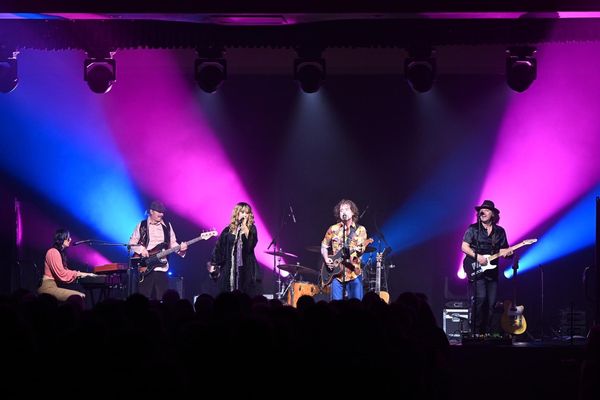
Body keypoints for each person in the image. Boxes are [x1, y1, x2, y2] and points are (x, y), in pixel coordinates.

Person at [461, 200, 513, 335]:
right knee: (481, 299)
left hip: (492, 271)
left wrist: (508, 254)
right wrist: (477, 257)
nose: (483, 212)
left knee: (492, 303)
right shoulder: (473, 229)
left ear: (493, 214)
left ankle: (486, 332)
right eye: (481, 210)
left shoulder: (499, 231)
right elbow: (464, 247)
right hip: (476, 268)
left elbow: (504, 249)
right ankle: (476, 332)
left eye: (487, 210)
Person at [129, 200, 187, 300]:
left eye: (163, 212)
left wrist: (181, 249)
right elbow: (131, 243)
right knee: (144, 298)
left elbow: (173, 243)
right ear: (151, 211)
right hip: (145, 266)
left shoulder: (167, 226)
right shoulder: (142, 225)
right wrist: (141, 250)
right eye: (159, 211)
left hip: (162, 267)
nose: (161, 214)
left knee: (162, 298)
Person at [207, 202, 262, 296]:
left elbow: (250, 245)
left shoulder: (251, 229)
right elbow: (219, 247)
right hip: (228, 268)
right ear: (237, 213)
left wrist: (244, 226)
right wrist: (214, 263)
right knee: (227, 294)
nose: (245, 215)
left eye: (247, 213)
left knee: (244, 294)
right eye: (242, 212)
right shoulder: (227, 230)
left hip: (245, 268)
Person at [321, 199, 368, 300]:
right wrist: (326, 259)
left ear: (353, 212)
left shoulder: (360, 230)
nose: (343, 212)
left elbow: (360, 250)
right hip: (336, 275)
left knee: (355, 305)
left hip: (354, 274)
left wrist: (358, 251)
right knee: (335, 306)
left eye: (346, 209)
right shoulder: (333, 229)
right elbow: (324, 246)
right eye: (341, 210)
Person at [38, 228, 97, 301]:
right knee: (79, 297)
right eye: (68, 237)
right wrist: (81, 274)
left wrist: (85, 274)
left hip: (55, 286)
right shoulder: (53, 252)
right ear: (62, 238)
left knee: (80, 293)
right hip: (48, 287)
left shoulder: (58, 253)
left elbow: (66, 271)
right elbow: (62, 274)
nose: (70, 239)